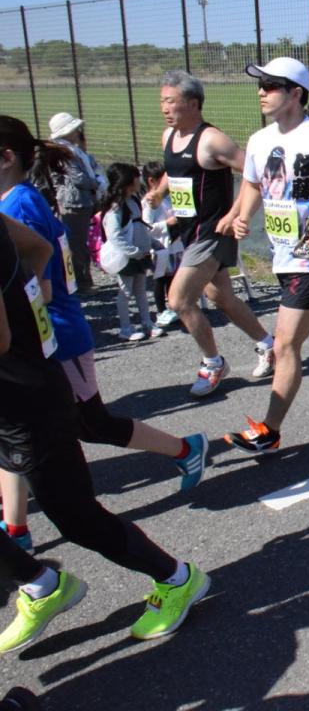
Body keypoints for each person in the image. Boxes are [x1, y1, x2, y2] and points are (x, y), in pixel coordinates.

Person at [0, 213, 208, 653]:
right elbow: (37, 249)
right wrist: (26, 304)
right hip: (23, 389)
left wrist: (19, 321)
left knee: (77, 519)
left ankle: (177, 579)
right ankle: (39, 584)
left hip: (28, 402)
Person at [0, 119, 208, 559]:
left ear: (6, 158)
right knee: (19, 435)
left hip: (58, 336)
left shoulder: (18, 206)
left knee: (91, 425)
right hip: (43, 339)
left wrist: (22, 309)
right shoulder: (17, 200)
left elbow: (47, 280)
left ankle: (187, 448)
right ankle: (16, 528)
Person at [223, 57, 309, 454]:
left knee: (285, 345)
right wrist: (243, 216)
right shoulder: (261, 140)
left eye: (271, 86)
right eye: (260, 86)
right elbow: (251, 183)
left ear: (296, 93)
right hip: (281, 255)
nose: (262, 93)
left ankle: (270, 429)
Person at [160, 70, 275, 396]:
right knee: (220, 296)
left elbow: (256, 174)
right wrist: (156, 193)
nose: (165, 108)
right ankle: (269, 344)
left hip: (212, 232)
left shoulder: (212, 140)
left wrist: (234, 213)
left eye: (171, 101)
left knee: (179, 300)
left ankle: (213, 363)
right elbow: (174, 173)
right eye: (162, 101)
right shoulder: (168, 136)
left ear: (193, 103)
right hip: (188, 231)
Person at [99, 164, 158, 342]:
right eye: (135, 178)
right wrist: (133, 252)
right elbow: (115, 236)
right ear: (127, 182)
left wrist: (151, 244)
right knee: (125, 291)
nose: (139, 181)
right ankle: (125, 328)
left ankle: (147, 323)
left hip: (140, 254)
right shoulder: (117, 208)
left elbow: (140, 227)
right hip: (128, 257)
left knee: (140, 290)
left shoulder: (133, 201)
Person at [46, 112, 99, 294]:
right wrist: (98, 182)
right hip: (74, 202)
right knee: (76, 244)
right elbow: (79, 179)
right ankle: (81, 283)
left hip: (79, 201)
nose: (78, 131)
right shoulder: (64, 152)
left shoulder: (68, 150)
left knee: (78, 243)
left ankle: (82, 280)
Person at [140, 162, 183, 329]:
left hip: (174, 245)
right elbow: (147, 227)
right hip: (160, 247)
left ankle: (173, 307)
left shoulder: (168, 198)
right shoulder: (149, 202)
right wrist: (168, 223)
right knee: (160, 279)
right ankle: (161, 310)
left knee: (173, 277)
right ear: (152, 181)